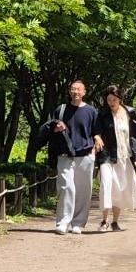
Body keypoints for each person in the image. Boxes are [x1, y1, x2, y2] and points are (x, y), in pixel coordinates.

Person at [40, 79, 103, 235]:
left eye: (79, 89)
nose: (76, 92)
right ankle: (63, 222)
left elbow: (96, 130)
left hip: (86, 155)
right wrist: (56, 129)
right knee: (66, 187)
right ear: (69, 91)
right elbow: (50, 129)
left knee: (83, 190)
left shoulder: (91, 111)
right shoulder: (61, 110)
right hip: (65, 155)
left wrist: (97, 138)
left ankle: (78, 223)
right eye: (73, 89)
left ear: (84, 92)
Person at [95, 86, 136, 231]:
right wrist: (97, 137)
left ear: (120, 99)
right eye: (108, 100)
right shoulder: (102, 114)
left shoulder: (129, 113)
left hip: (125, 156)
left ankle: (115, 221)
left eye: (114, 99)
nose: (111, 102)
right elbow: (96, 130)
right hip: (107, 155)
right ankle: (104, 220)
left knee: (121, 187)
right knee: (106, 184)